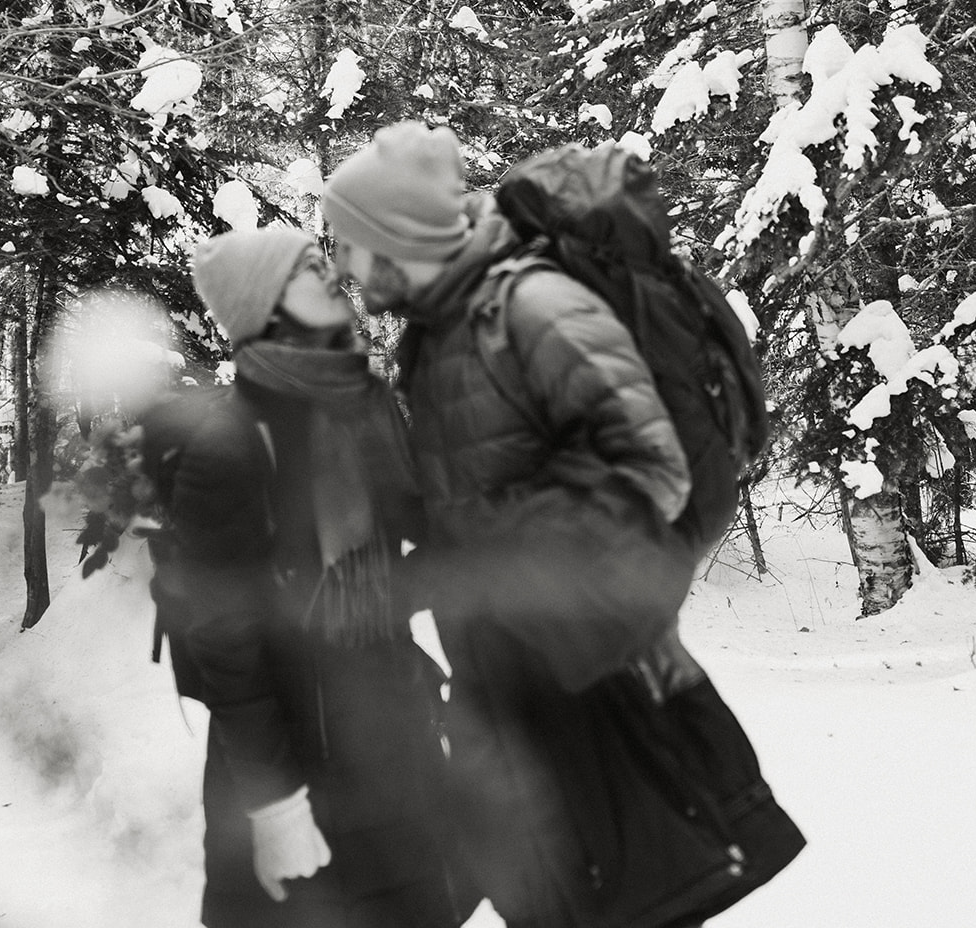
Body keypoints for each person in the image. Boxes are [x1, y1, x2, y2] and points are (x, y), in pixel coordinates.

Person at [322, 121, 805, 928]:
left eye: (348, 243)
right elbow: (477, 500)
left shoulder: (535, 308)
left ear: (396, 240)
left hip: (595, 684)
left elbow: (651, 473)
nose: (340, 265)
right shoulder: (440, 337)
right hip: (512, 687)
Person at [146, 222, 462, 928]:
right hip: (293, 753)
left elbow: (428, 535)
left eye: (320, 262)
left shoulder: (368, 406)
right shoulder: (226, 445)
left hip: (388, 734)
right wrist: (275, 803)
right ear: (265, 306)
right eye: (301, 270)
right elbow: (225, 643)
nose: (327, 273)